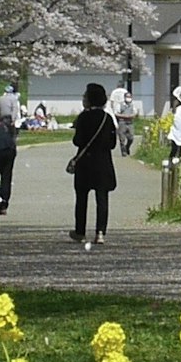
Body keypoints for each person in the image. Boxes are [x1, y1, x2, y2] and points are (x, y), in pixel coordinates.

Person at [67, 81, 120, 249]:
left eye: (85, 96)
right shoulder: (108, 118)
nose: (83, 99)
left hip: (85, 163)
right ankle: (100, 233)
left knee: (81, 198)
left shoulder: (83, 117)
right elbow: (112, 144)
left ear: (90, 99)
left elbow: (77, 141)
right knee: (102, 198)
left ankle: (80, 232)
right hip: (103, 162)